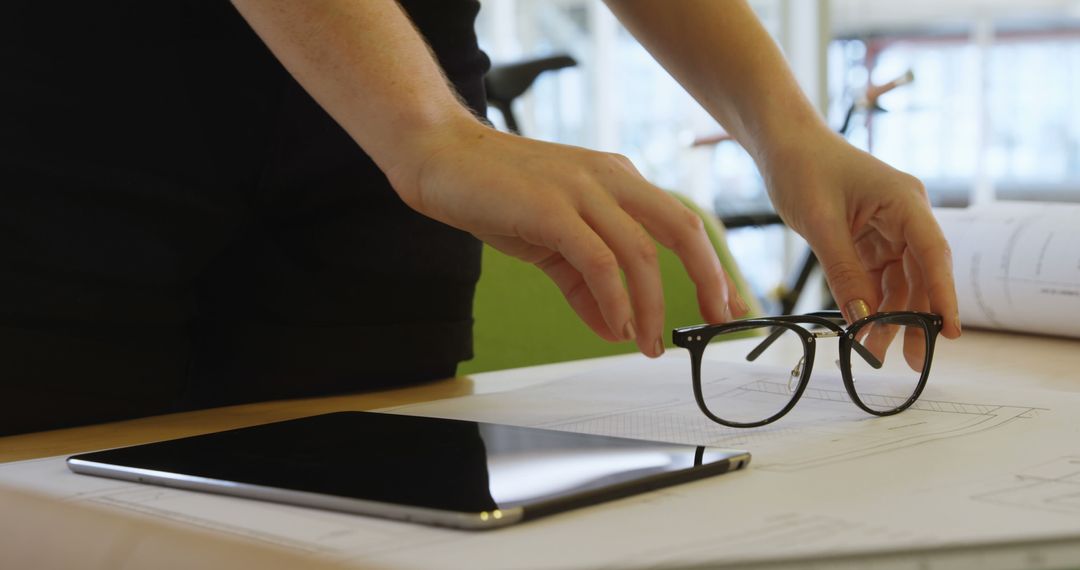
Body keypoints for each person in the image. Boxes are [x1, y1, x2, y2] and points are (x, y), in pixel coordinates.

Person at [0, 0, 959, 436]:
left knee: (373, 522)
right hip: (73, 113)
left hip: (394, 110)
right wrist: (425, 134)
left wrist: (782, 129)